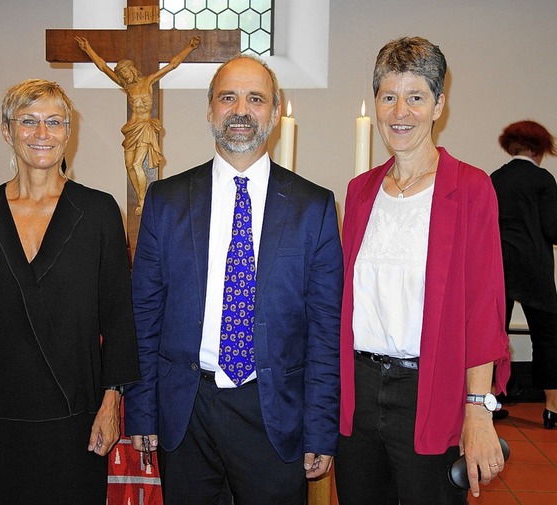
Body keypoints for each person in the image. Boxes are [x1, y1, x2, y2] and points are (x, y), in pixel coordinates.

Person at [123, 55, 343, 504]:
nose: (241, 110)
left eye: (255, 98)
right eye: (228, 97)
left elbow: (326, 330)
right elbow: (143, 315)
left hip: (274, 410)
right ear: (210, 109)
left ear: (275, 113)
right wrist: (141, 412)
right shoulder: (165, 201)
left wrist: (320, 427)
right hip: (187, 410)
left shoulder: (313, 207)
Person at [0, 79, 140, 505]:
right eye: (28, 121)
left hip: (75, 414)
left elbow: (119, 317)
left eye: (54, 122)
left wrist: (110, 404)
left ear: (68, 131)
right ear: (8, 131)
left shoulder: (99, 211)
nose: (42, 133)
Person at [335, 37, 511, 504]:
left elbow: (483, 308)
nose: (400, 112)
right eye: (388, 96)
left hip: (431, 391)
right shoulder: (360, 192)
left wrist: (478, 411)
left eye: (416, 97)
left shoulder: (471, 189)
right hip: (358, 390)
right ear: (375, 103)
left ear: (439, 105)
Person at [75, 35, 200, 216]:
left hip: (145, 128)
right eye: (121, 74)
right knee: (129, 165)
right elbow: (103, 67)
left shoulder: (148, 81)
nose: (124, 75)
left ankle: (142, 200)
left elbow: (172, 65)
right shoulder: (127, 87)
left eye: (125, 72)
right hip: (131, 130)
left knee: (136, 164)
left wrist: (189, 47)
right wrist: (87, 49)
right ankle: (140, 196)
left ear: (132, 70)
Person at [490, 120, 557, 429]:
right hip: (534, 268)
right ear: (537, 148)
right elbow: (552, 229)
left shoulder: (495, 178)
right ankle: (552, 408)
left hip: (497, 266)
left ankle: (491, 401)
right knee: (547, 336)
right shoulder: (543, 179)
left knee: (493, 334)